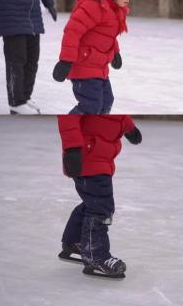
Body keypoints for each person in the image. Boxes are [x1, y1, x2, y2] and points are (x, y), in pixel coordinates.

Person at [57, 114, 142, 278]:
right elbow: (68, 117)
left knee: (93, 203)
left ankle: (74, 242)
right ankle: (96, 256)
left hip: (100, 157)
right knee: (100, 208)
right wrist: (72, 148)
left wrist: (128, 127)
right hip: (87, 157)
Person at [52, 0, 135, 114]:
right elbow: (72, 32)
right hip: (83, 65)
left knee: (106, 103)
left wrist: (115, 52)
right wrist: (65, 61)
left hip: (99, 66)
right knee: (91, 106)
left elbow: (108, 34)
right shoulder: (93, 5)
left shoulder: (115, 9)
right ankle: (71, 132)